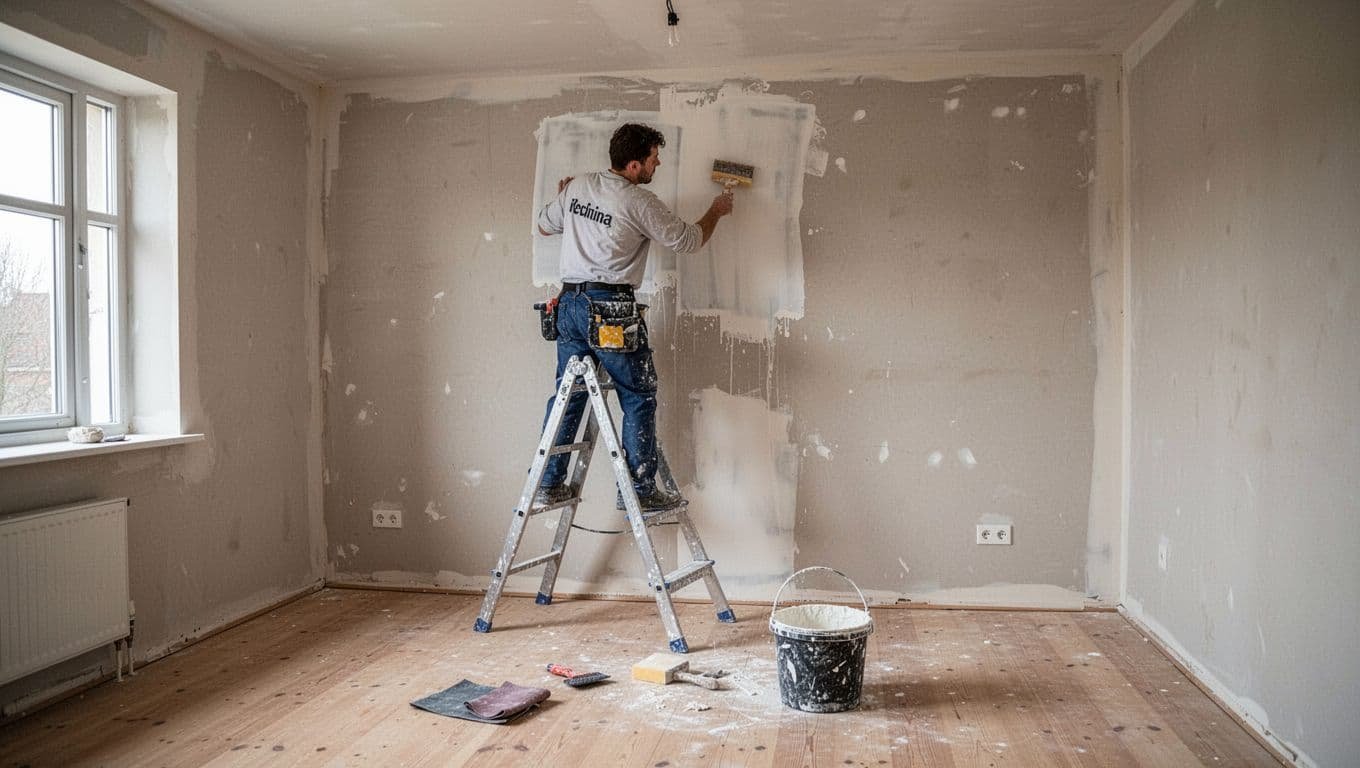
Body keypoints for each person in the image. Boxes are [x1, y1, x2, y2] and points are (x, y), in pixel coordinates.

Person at [533, 123, 734, 510]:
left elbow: (545, 225)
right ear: (633, 164)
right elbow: (689, 240)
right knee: (638, 396)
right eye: (653, 158)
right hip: (609, 311)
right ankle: (639, 492)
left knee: (569, 394)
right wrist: (717, 211)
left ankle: (548, 482)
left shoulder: (578, 187)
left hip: (571, 307)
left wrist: (568, 202)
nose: (657, 163)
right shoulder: (638, 201)